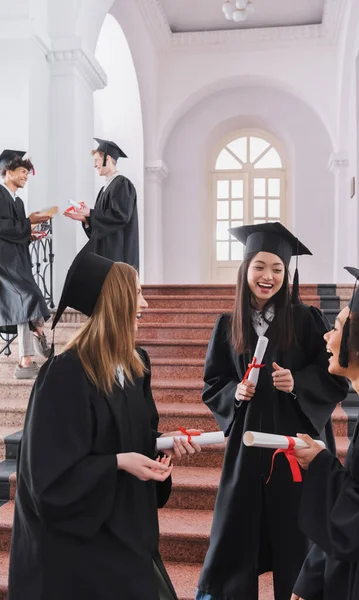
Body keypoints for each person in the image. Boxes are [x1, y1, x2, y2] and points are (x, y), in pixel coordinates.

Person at [8, 250, 200, 600]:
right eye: (137, 293)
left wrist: (161, 443)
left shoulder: (135, 364)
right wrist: (118, 462)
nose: (145, 303)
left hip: (127, 529)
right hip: (80, 549)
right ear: (116, 301)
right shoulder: (66, 373)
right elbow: (48, 477)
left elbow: (131, 436)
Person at [195, 222, 349, 600]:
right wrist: (236, 393)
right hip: (248, 448)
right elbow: (213, 383)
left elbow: (336, 377)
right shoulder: (228, 325)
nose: (268, 277)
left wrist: (298, 383)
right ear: (245, 269)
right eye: (260, 267)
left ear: (287, 273)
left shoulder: (307, 320)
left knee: (296, 536)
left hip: (294, 445)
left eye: (277, 269)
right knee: (238, 534)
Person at [291, 267, 359, 600]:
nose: (326, 336)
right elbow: (352, 500)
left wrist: (323, 466)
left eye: (336, 327)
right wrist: (309, 582)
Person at [0, 149, 51, 378]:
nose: (25, 176)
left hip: (18, 262)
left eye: (27, 174)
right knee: (27, 299)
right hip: (4, 264)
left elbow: (16, 231)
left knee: (32, 299)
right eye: (22, 172)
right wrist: (27, 222)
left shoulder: (18, 202)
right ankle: (27, 357)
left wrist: (31, 234)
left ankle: (30, 354)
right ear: (7, 171)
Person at [63, 138, 139, 268]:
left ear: (107, 159)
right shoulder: (104, 189)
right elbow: (100, 229)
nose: (95, 165)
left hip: (118, 257)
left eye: (97, 160)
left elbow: (121, 217)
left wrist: (91, 213)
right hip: (104, 256)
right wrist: (87, 220)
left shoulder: (122, 184)